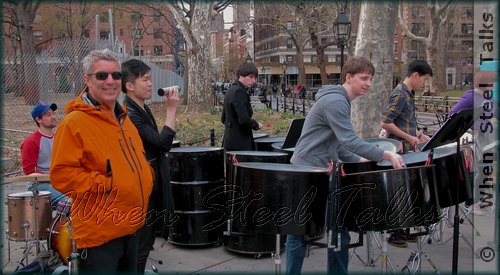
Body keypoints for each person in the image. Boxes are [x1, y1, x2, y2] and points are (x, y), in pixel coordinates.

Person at [285, 56, 405, 274]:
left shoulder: (341, 100)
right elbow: (350, 140)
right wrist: (386, 154)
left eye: (370, 79)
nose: (368, 83)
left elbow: (338, 145)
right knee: (300, 232)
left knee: (338, 232)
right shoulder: (336, 101)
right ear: (348, 77)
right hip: (307, 170)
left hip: (321, 169)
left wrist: (361, 160)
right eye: (363, 78)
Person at [49, 49, 154, 272]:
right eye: (102, 76)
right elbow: (62, 176)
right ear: (87, 79)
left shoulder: (123, 119)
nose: (110, 81)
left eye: (116, 75)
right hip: (100, 235)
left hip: (131, 227)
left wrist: (147, 176)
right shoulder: (74, 123)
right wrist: (107, 184)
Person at [121, 59, 180, 273]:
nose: (149, 84)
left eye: (150, 79)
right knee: (140, 248)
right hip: (143, 191)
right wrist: (171, 110)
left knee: (144, 245)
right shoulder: (130, 114)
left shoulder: (140, 108)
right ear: (129, 86)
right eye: (145, 79)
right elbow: (163, 143)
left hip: (150, 186)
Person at [380, 59, 433, 248]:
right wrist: (409, 138)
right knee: (400, 192)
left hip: (408, 147)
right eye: (424, 80)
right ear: (415, 75)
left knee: (409, 190)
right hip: (399, 150)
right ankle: (395, 232)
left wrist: (420, 135)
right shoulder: (400, 94)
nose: (424, 84)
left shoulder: (409, 94)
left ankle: (405, 228)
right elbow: (386, 122)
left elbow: (406, 122)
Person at [448, 70, 497, 216]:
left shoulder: (489, 98)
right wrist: (471, 128)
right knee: (477, 170)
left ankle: (482, 200)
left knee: (485, 170)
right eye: (491, 83)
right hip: (475, 140)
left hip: (489, 139)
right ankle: (472, 202)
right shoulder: (471, 97)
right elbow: (453, 115)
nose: (493, 86)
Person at [21, 102, 68, 208]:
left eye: (53, 114)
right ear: (39, 119)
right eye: (48, 115)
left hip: (59, 182)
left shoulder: (58, 138)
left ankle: (59, 224)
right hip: (39, 186)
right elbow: (29, 171)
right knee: (69, 203)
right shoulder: (31, 142)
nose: (53, 117)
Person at [221, 62, 263, 151]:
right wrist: (256, 125)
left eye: (255, 77)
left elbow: (223, 118)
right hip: (240, 144)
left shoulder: (231, 90)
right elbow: (244, 119)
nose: (254, 80)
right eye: (250, 77)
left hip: (229, 141)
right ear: (241, 76)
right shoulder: (239, 92)